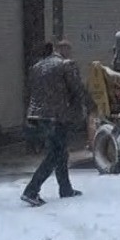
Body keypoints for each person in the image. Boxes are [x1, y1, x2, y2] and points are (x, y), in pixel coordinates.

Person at [21, 39, 94, 207]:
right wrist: (92, 105)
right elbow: (77, 89)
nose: (69, 52)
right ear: (63, 50)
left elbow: (30, 92)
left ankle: (65, 189)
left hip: (39, 116)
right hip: (57, 116)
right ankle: (31, 190)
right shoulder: (66, 65)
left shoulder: (38, 66)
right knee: (55, 154)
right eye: (67, 49)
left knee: (60, 152)